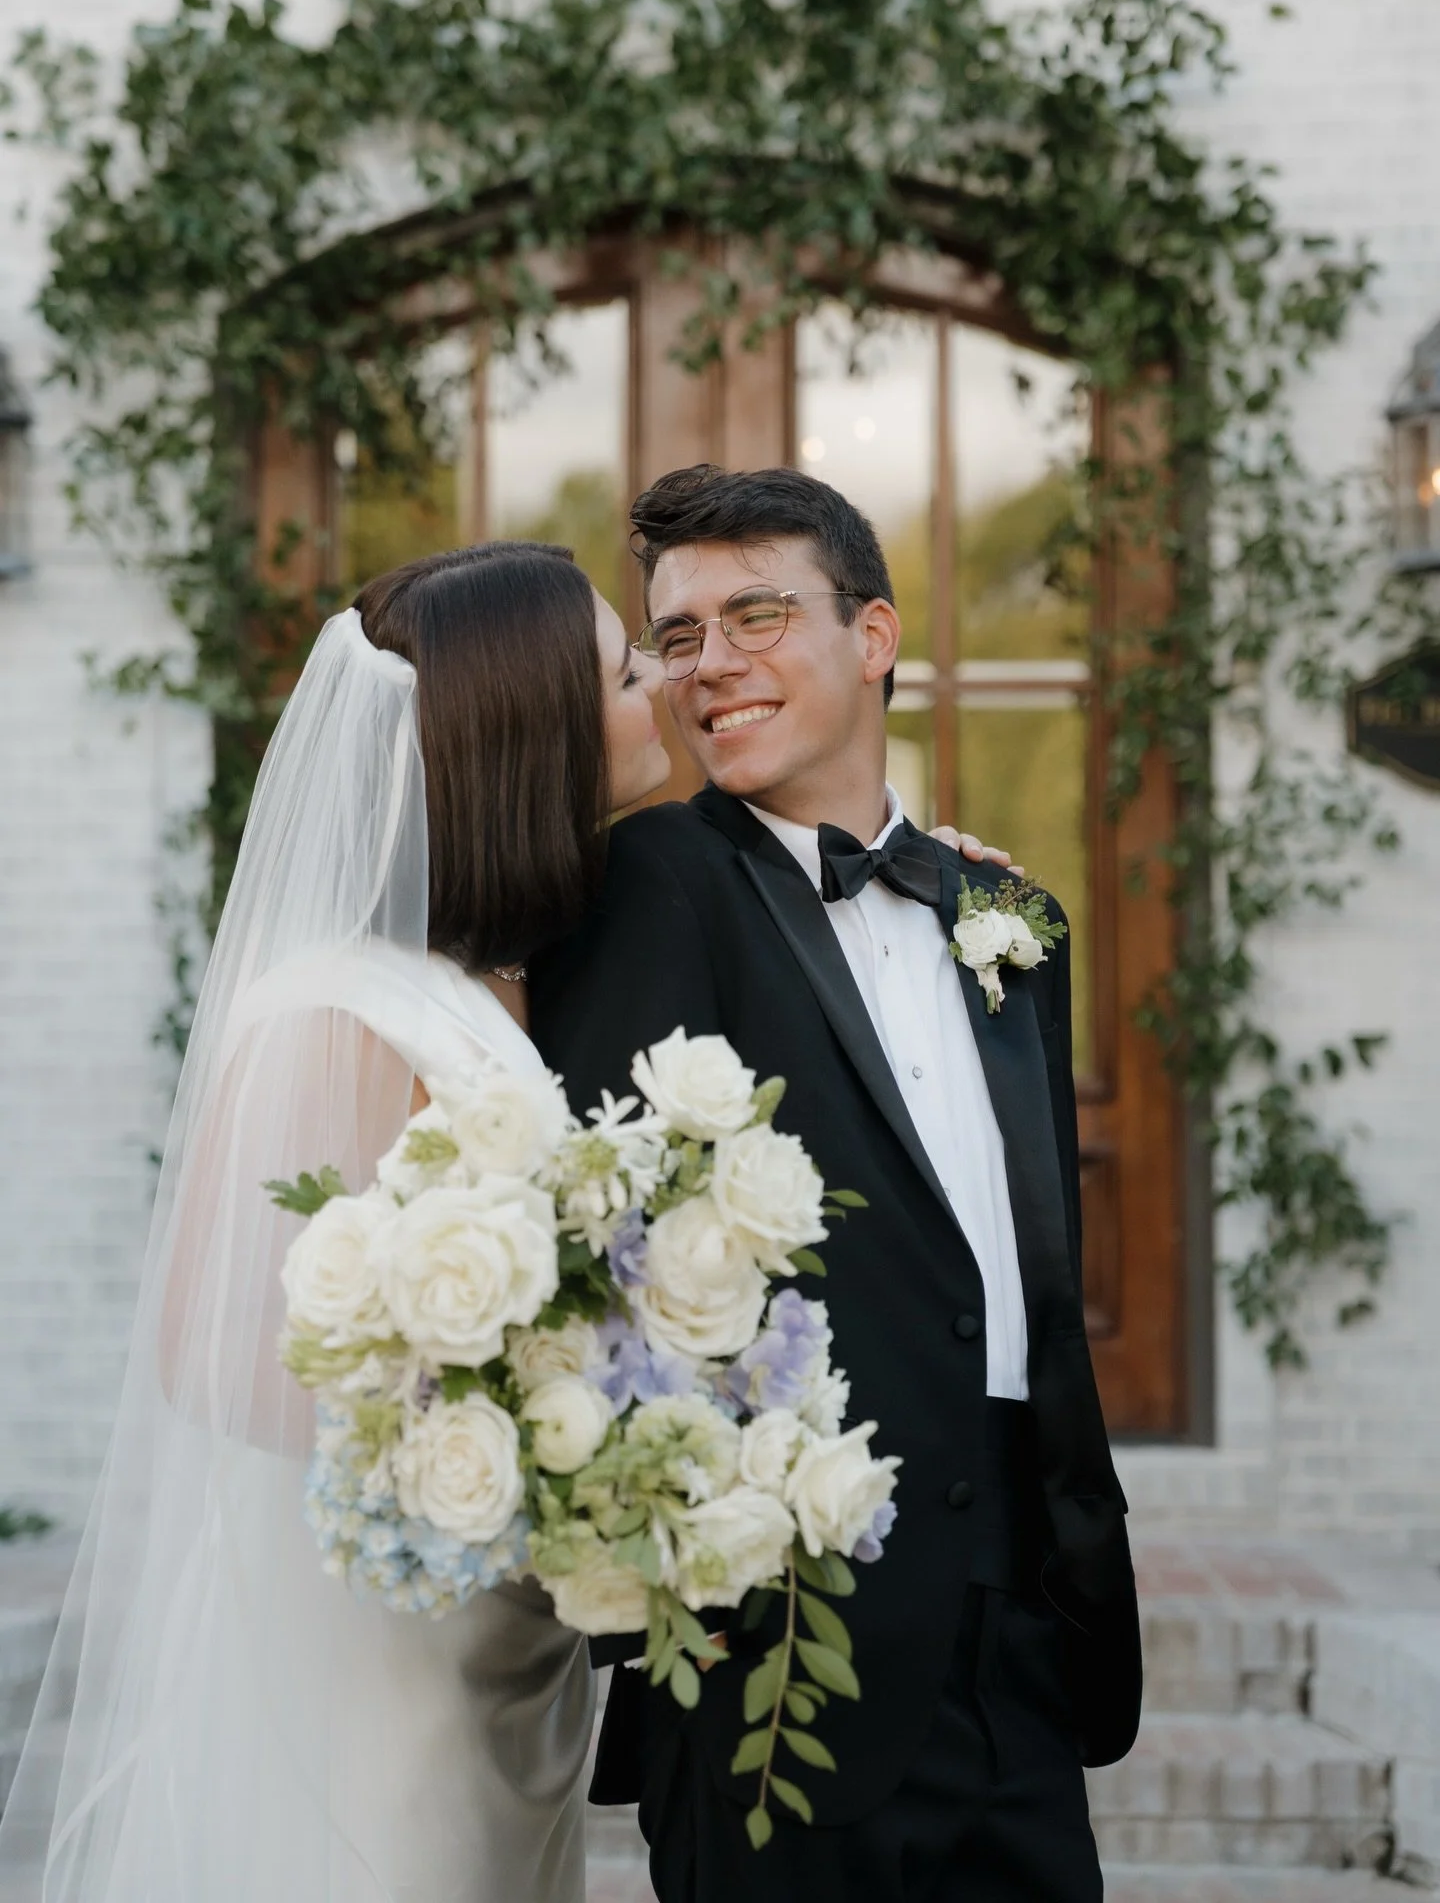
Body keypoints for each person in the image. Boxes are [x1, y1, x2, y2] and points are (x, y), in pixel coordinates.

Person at [0, 536, 1008, 1902]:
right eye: (627, 670)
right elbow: (212, 1350)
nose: (665, 683)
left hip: (507, 1664)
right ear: (536, 733)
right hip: (378, 1673)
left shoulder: (526, 969)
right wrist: (541, 1452)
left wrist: (926, 885)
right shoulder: (336, 1010)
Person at [529, 466, 1142, 1903]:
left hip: (1024, 1632)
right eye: (678, 637)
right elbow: (599, 1256)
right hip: (785, 1647)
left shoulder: (1008, 916)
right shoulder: (641, 887)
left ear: (874, 637)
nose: (710, 664)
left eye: (756, 616)